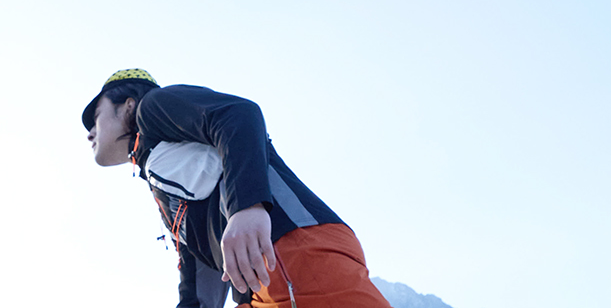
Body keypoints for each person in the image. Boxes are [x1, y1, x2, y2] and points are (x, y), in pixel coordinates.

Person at [83, 68, 392, 308]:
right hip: (260, 284)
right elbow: (197, 272)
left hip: (293, 249)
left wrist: (247, 207)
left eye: (94, 118)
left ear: (128, 104)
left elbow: (238, 113)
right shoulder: (160, 174)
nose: (89, 133)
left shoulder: (153, 108)